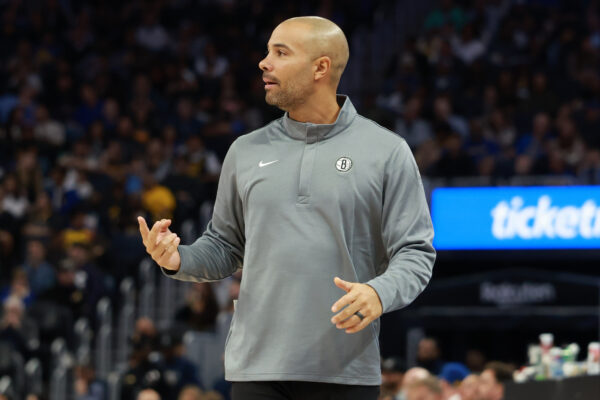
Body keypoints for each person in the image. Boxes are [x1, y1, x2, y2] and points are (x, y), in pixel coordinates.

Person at [138, 16, 435, 400]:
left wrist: (379, 293)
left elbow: (415, 253)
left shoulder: (387, 152)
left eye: (280, 53)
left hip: (343, 369)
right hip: (256, 367)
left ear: (320, 68)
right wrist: (177, 258)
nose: (264, 62)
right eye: (267, 51)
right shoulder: (245, 151)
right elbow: (225, 246)